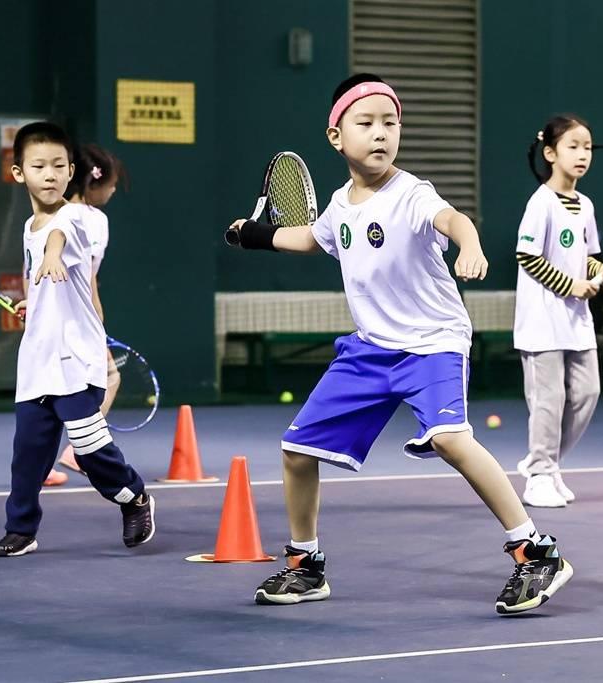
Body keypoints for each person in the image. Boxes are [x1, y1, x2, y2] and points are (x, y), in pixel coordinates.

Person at [226, 75, 572, 614]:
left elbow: (452, 219)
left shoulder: (411, 194)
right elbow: (311, 237)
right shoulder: (340, 205)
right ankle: (305, 564)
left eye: (390, 123)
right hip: (370, 351)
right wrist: (256, 235)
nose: (381, 133)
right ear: (337, 137)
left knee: (450, 439)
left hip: (432, 343)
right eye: (366, 123)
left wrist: (471, 244)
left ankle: (535, 551)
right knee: (296, 451)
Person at [0, 122, 154, 557]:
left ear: (70, 172)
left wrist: (52, 251)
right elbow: (41, 274)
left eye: (58, 166)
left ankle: (133, 496)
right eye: (39, 166)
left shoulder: (83, 217)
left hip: (77, 356)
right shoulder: (29, 226)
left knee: (89, 447)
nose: (49, 174)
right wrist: (32, 303)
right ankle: (21, 529)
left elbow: (60, 235)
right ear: (18, 173)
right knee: (28, 453)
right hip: (37, 359)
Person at [513, 115, 603, 508]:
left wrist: (600, 270)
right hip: (541, 322)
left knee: (588, 393)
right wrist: (573, 285)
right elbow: (527, 256)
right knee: (549, 399)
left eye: (587, 147)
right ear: (550, 153)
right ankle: (540, 475)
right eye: (573, 146)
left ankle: (545, 463)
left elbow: (584, 257)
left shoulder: (585, 205)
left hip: (577, 321)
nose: (582, 155)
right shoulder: (540, 203)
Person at [45, 144, 126, 484]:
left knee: (47, 392)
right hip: (76, 318)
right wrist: (97, 321)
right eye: (112, 184)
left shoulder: (49, 213)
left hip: (46, 315)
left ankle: (41, 466)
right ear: (94, 183)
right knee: (109, 377)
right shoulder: (94, 220)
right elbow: (87, 276)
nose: (114, 190)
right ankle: (80, 451)